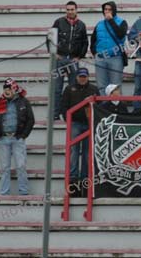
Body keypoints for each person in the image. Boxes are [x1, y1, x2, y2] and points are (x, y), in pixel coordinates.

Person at [0, 78, 35, 196]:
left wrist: (23, 135)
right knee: (5, 168)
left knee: (21, 166)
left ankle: (23, 192)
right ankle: (4, 193)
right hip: (3, 139)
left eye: (9, 89)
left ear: (14, 89)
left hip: (17, 138)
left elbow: (31, 120)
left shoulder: (23, 102)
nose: (7, 91)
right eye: (5, 89)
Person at [62, 66, 100, 196]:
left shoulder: (94, 89)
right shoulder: (69, 89)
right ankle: (73, 178)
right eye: (81, 76)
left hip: (89, 123)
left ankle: (85, 177)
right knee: (74, 151)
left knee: (87, 152)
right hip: (75, 123)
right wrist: (68, 120)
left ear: (88, 77)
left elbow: (99, 106)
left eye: (84, 77)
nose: (83, 79)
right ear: (77, 77)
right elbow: (64, 106)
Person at [51, 1, 88, 120]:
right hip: (60, 59)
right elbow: (50, 38)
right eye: (68, 9)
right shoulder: (58, 22)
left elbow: (85, 43)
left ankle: (72, 113)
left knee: (73, 88)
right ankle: (55, 113)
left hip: (73, 60)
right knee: (57, 88)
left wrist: (79, 57)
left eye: (72, 9)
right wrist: (55, 53)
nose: (70, 11)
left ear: (76, 10)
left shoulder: (81, 25)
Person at [90, 1, 128, 91]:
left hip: (115, 57)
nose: (107, 11)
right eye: (105, 9)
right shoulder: (99, 24)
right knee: (101, 86)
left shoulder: (122, 22)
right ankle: (103, 101)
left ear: (114, 10)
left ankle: (115, 101)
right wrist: (95, 53)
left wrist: (111, 20)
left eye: (109, 10)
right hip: (100, 58)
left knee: (115, 87)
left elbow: (121, 34)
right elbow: (93, 40)